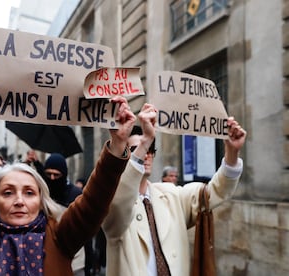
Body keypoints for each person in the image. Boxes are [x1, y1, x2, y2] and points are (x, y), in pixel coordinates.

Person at [0, 80, 136, 275]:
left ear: (41, 201)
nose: (19, 201)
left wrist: (117, 145)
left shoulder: (59, 237)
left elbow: (94, 203)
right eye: (8, 193)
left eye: (29, 192)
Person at [102, 103, 247, 276]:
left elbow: (213, 193)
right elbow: (116, 212)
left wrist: (232, 154)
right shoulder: (112, 200)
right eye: (136, 150)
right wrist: (145, 141)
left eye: (150, 150)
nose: (146, 154)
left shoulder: (170, 194)